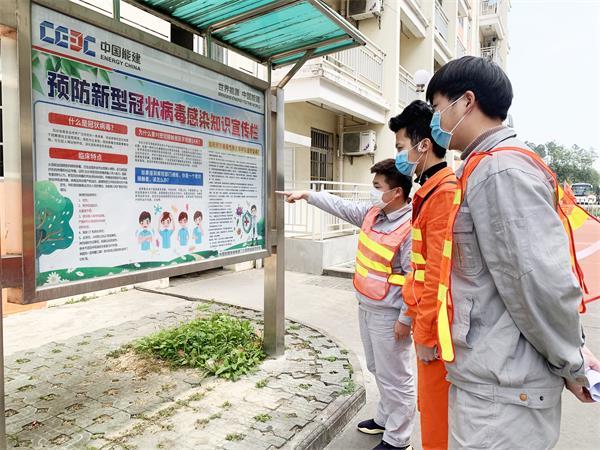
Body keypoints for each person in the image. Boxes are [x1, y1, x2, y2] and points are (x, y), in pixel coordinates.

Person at [425, 56, 600, 449]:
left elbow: (539, 283)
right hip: (494, 382)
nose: (435, 120)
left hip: (503, 397)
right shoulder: (483, 167)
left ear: (466, 102)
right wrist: (573, 350)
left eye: (437, 107)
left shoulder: (500, 171)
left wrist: (572, 361)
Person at [278, 159, 415, 450]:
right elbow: (340, 205)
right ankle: (385, 419)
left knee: (396, 376)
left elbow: (415, 278)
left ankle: (399, 439)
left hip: (390, 315)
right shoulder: (373, 213)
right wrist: (308, 195)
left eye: (377, 187)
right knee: (377, 368)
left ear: (397, 192)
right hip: (367, 305)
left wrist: (406, 319)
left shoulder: (410, 228)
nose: (372, 192)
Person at [391, 100, 455, 450]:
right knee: (429, 407)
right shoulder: (429, 190)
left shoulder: (442, 193)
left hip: (437, 331)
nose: (399, 156)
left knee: (435, 415)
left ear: (424, 145)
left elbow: (436, 273)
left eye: (401, 146)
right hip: (427, 322)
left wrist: (427, 334)